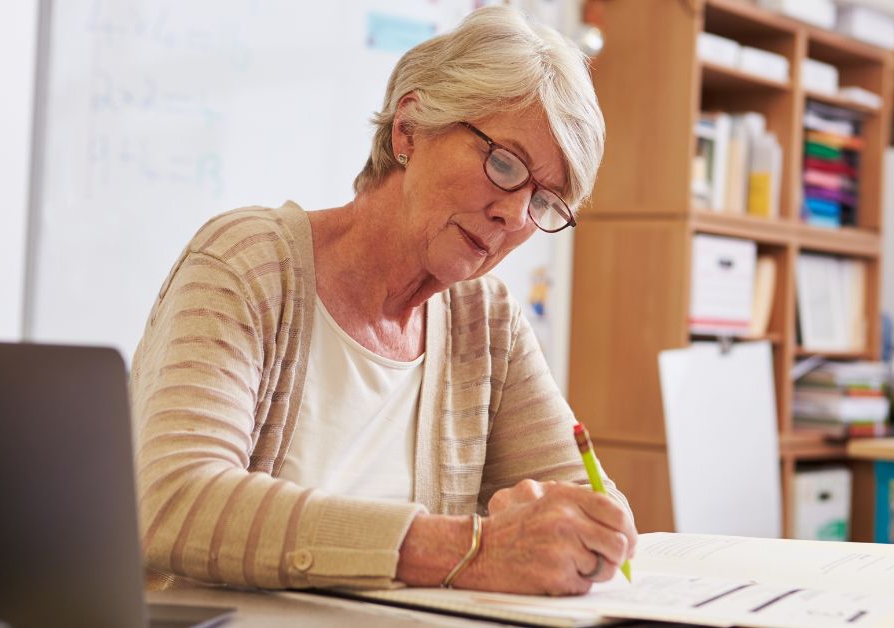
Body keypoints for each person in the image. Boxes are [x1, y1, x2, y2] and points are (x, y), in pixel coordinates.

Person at [130, 5, 635, 597]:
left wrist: (590, 530)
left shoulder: (486, 321)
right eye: (504, 164)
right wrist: (471, 551)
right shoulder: (247, 262)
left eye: (544, 201)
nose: (513, 214)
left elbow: (585, 507)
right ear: (409, 129)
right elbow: (174, 500)